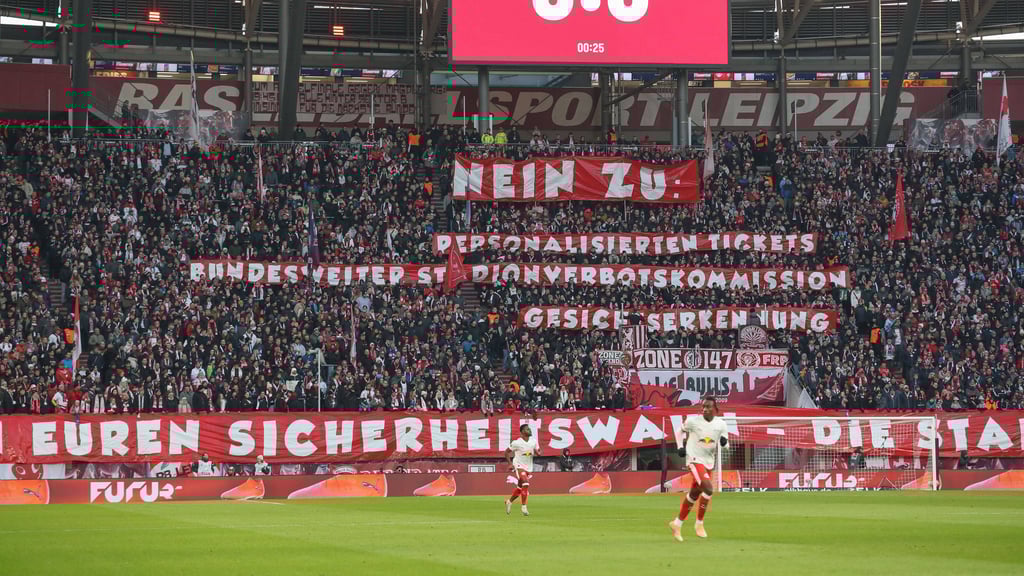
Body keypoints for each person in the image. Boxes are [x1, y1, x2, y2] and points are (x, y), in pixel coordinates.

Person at [669, 397, 728, 542]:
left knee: (695, 493)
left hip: (709, 462)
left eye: (708, 407)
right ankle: (699, 523)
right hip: (694, 460)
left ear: (715, 409)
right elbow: (679, 431)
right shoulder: (693, 422)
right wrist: (680, 447)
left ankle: (677, 523)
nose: (705, 409)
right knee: (708, 489)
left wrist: (724, 442)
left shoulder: (721, 424)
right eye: (703, 407)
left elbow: (726, 444)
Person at [504, 423, 541, 516]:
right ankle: (524, 507)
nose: (530, 430)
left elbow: (538, 451)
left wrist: (538, 453)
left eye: (529, 429)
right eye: (527, 429)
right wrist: (510, 464)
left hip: (528, 467)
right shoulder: (517, 442)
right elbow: (506, 452)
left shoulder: (533, 441)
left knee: (520, 488)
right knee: (526, 483)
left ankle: (509, 501)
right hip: (519, 465)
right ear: (522, 432)